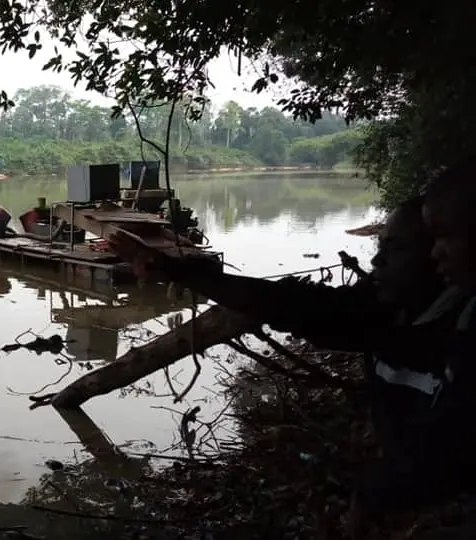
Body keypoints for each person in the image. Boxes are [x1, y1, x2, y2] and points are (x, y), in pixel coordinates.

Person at [106, 193, 476, 532]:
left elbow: (450, 454)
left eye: (396, 249)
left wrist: (373, 497)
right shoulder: (383, 308)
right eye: (380, 246)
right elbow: (290, 303)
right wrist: (175, 269)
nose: (377, 261)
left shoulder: (464, 332)